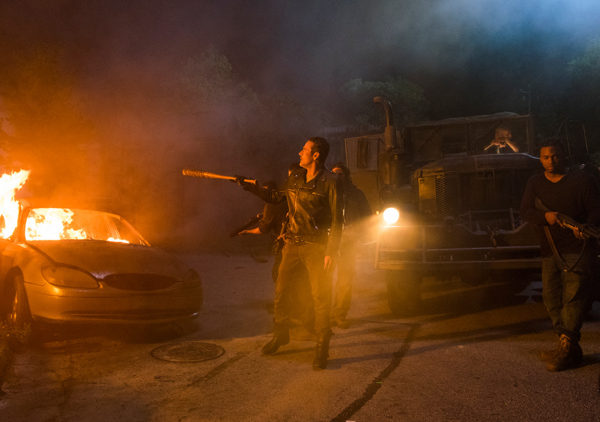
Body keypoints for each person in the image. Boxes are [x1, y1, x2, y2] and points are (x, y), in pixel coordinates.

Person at [241, 137, 343, 370]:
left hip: (316, 246)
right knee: (282, 292)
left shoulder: (331, 182)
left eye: (305, 150)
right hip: (291, 245)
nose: (300, 153)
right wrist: (251, 187)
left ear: (316, 155)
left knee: (319, 296)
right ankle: (280, 335)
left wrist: (331, 251)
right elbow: (276, 198)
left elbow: (338, 220)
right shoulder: (295, 177)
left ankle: (321, 347)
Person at [520, 139, 600, 371]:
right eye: (545, 157)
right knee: (552, 298)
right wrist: (547, 217)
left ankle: (567, 348)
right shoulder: (535, 183)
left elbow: (597, 210)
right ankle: (568, 346)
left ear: (563, 156)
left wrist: (584, 228)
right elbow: (526, 211)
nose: (550, 161)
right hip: (549, 250)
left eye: (554, 156)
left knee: (573, 299)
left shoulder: (583, 181)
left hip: (578, 249)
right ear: (541, 158)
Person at [330, 162, 372, 328]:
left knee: (345, 280)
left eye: (340, 174)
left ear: (346, 176)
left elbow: (366, 216)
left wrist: (360, 236)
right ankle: (324, 315)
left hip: (348, 242)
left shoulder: (356, 195)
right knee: (323, 281)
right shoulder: (327, 193)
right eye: (334, 174)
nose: (337, 177)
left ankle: (339, 315)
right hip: (328, 241)